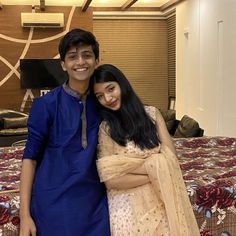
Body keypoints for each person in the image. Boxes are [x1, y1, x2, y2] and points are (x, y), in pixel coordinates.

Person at [90, 64, 200, 236]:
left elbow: (171, 158)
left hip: (161, 195)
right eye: (100, 96)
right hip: (126, 203)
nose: (108, 98)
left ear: (122, 84)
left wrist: (140, 169)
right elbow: (111, 180)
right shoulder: (106, 128)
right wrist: (156, 169)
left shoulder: (152, 114)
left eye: (110, 89)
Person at [19, 29, 110, 236]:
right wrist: (25, 216)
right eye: (72, 57)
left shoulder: (104, 102)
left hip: (95, 203)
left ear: (97, 60)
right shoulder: (45, 105)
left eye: (87, 55)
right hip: (54, 202)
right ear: (63, 64)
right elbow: (29, 159)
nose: (80, 62)